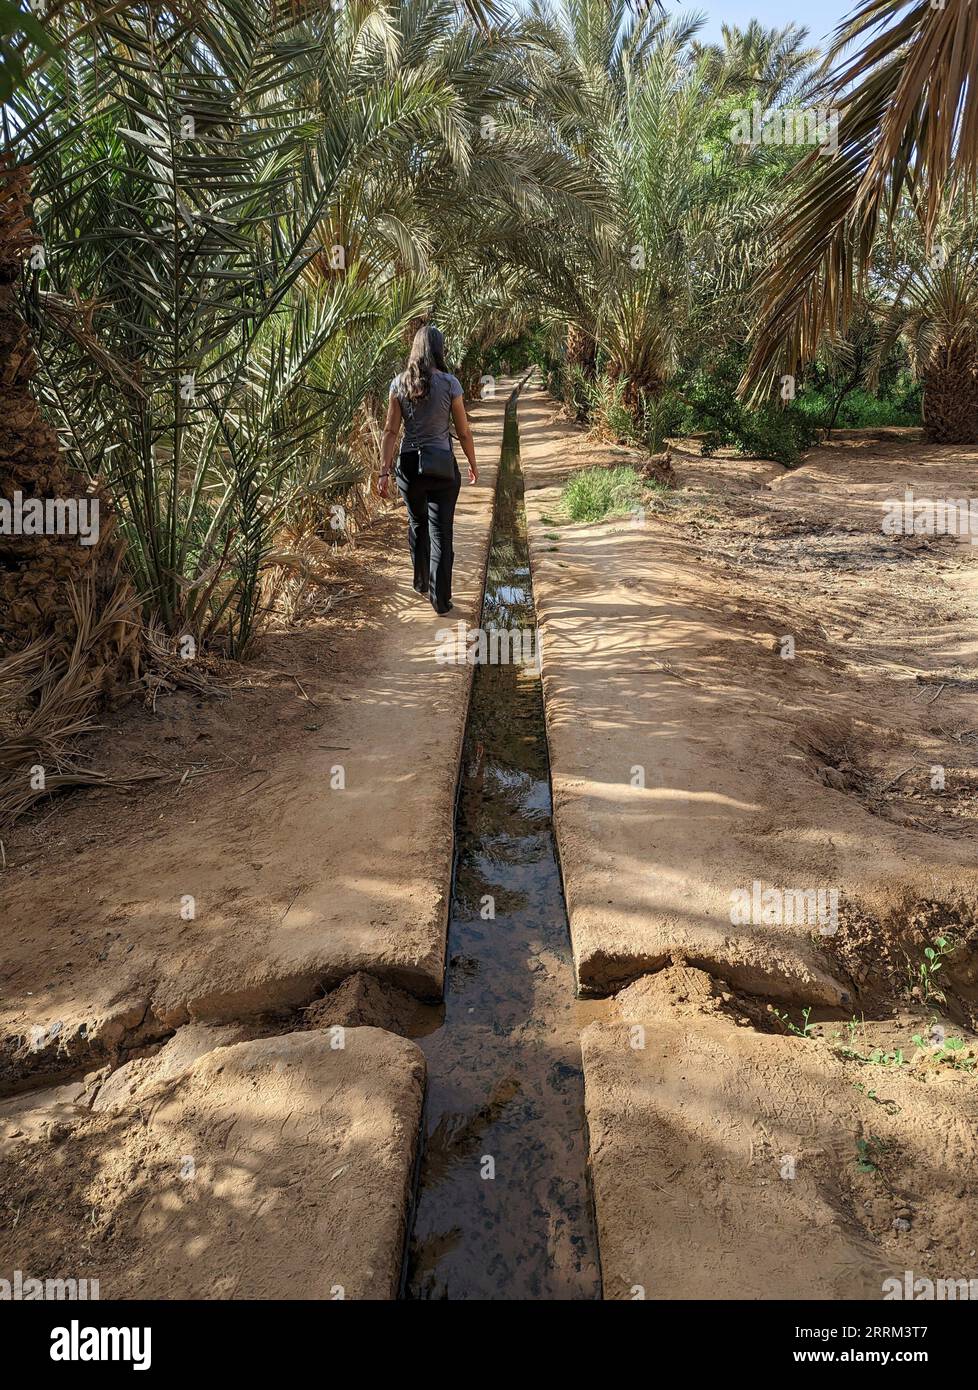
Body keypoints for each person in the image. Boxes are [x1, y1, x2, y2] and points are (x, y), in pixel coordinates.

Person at [378, 325, 478, 614]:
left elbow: (390, 431)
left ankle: (421, 581)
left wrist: (384, 471)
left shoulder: (399, 384)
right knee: (441, 531)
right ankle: (440, 600)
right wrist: (472, 463)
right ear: (439, 349)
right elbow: (463, 431)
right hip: (442, 464)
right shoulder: (450, 383)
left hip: (409, 466)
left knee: (418, 523)